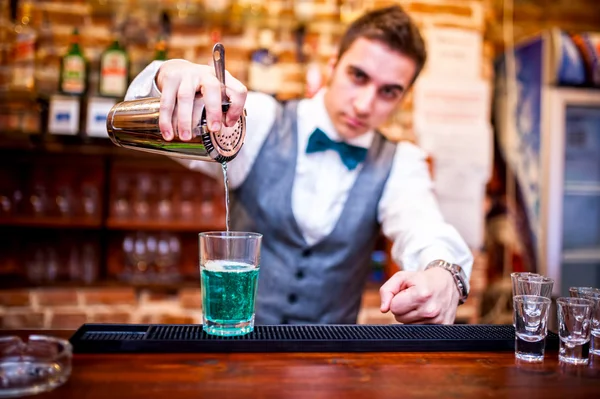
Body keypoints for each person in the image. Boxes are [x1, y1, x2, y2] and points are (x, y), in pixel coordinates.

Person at [125, 5, 474, 325]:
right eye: (358, 76)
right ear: (332, 64)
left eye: (389, 92)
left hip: (331, 373)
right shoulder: (258, 120)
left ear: (403, 97)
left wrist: (444, 273)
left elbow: (425, 227)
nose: (365, 105)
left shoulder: (400, 163)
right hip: (237, 356)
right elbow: (144, 122)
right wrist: (168, 73)